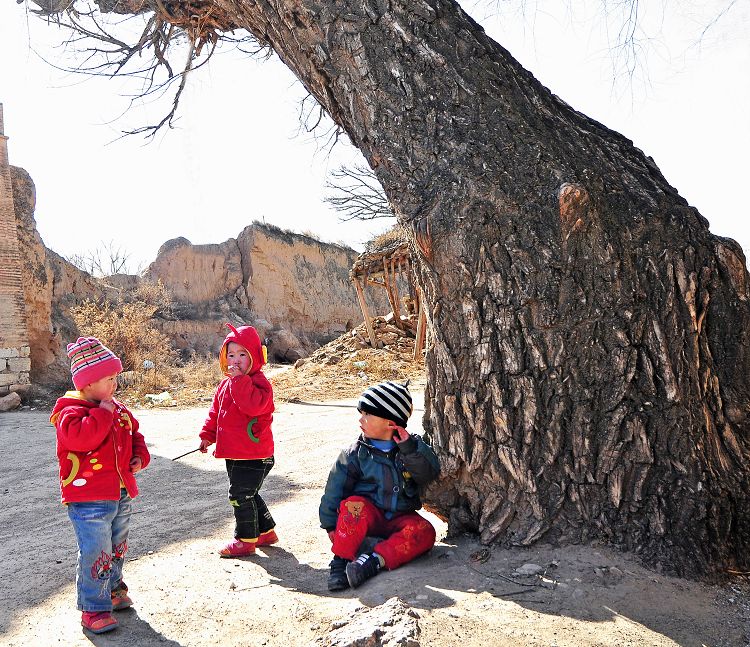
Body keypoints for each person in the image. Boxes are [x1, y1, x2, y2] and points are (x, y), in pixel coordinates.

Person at [51, 337, 150, 635]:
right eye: (109, 378)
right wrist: (103, 414)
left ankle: (114, 588)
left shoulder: (117, 408)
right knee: (96, 549)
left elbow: (135, 434)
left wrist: (139, 456)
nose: (115, 384)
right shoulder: (70, 411)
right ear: (88, 383)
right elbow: (83, 439)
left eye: (116, 377)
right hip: (87, 497)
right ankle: (93, 607)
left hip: (119, 492)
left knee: (117, 545)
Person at [319, 380, 440, 591]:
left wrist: (410, 449)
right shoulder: (355, 453)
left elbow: (428, 473)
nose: (361, 419)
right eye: (361, 412)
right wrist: (330, 524)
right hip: (368, 516)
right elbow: (335, 489)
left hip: (400, 517)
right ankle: (340, 561)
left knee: (425, 531)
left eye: (367, 414)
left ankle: (373, 561)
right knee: (353, 505)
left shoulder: (411, 448)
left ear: (391, 423)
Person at [199, 323, 277, 557]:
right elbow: (216, 413)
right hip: (234, 452)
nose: (236, 360)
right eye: (230, 355)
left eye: (242, 355)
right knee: (248, 492)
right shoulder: (225, 384)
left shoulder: (260, 383)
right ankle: (265, 532)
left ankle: (245, 539)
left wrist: (241, 381)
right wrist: (207, 435)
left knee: (240, 495)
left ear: (254, 357)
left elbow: (252, 406)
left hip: (255, 454)